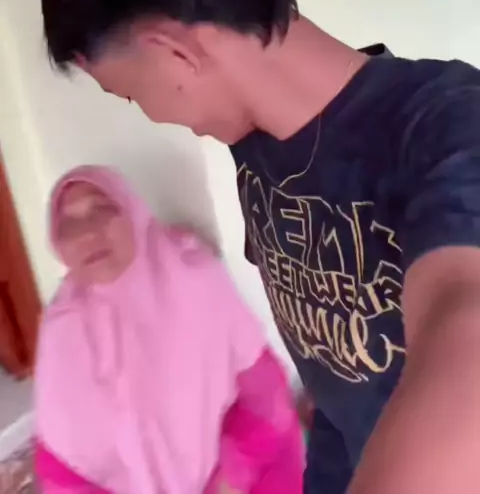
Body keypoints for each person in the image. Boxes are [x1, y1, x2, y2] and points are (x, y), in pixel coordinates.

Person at [39, 0, 480, 494]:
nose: (155, 115)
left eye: (133, 96)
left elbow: (465, 322)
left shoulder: (449, 124)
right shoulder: (258, 152)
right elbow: (333, 386)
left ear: (175, 54)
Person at [35, 165, 304, 494]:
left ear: (133, 212)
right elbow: (60, 461)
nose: (87, 233)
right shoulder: (61, 327)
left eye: (102, 209)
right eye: (68, 224)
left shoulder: (193, 279)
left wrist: (230, 478)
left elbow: (265, 395)